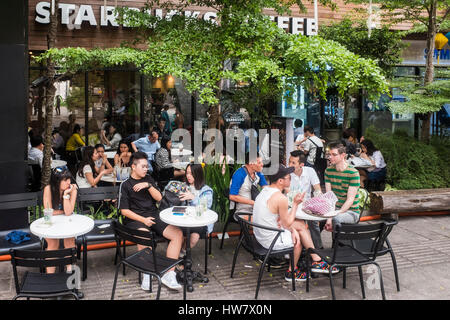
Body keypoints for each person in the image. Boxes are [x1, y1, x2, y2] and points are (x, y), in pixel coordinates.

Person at [252, 165, 335, 282]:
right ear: (281, 181)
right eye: (288, 177)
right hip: (270, 238)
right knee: (297, 240)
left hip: (261, 233)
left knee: (300, 224)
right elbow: (287, 224)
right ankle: (292, 272)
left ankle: (316, 260)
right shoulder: (281, 198)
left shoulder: (265, 191)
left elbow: (279, 218)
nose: (290, 179)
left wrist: (292, 228)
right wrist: (295, 204)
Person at [119, 151, 183, 291]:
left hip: (154, 215)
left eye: (146, 166)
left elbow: (159, 198)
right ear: (133, 167)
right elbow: (124, 211)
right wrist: (143, 219)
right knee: (145, 236)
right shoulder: (125, 185)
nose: (146, 169)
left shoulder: (148, 178)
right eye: (143, 166)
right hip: (134, 219)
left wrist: (149, 186)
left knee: (177, 234)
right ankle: (146, 273)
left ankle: (169, 273)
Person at [42, 166, 78, 273]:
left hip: (67, 221)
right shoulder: (48, 188)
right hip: (51, 222)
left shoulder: (72, 189)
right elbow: (48, 212)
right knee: (53, 244)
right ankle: (50, 275)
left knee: (70, 241)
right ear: (57, 181)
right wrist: (63, 211)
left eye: (69, 179)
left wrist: (66, 195)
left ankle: (69, 271)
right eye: (65, 180)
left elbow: (68, 213)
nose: (68, 182)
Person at [288, 150, 324, 249]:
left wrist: (318, 203)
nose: (289, 165)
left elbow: (317, 189)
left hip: (307, 204)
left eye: (293, 163)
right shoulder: (287, 174)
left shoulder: (310, 171)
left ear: (301, 165)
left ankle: (318, 248)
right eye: (289, 161)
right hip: (292, 205)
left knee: (314, 223)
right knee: (299, 223)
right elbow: (287, 193)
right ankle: (299, 247)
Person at [324, 142, 361, 232]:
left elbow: (350, 200)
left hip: (351, 212)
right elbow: (329, 197)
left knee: (335, 219)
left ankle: (337, 245)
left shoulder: (353, 173)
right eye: (329, 155)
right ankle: (317, 246)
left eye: (334, 155)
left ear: (343, 155)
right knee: (312, 219)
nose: (330, 157)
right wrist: (330, 215)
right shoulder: (328, 171)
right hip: (334, 209)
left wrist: (331, 216)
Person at [178, 163, 214, 249]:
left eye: (191, 173)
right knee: (177, 234)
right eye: (187, 173)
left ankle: (182, 254)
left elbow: (206, 207)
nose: (188, 176)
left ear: (198, 174)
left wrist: (192, 197)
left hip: (199, 221)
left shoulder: (206, 190)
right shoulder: (183, 186)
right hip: (183, 219)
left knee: (194, 237)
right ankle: (178, 254)